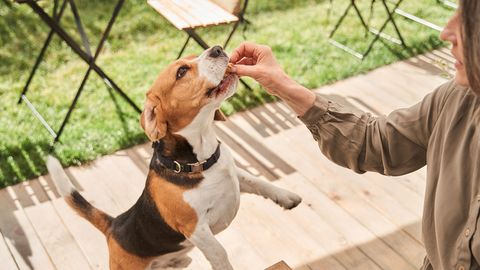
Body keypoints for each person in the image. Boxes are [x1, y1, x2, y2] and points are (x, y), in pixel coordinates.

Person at [228, 0, 480, 269]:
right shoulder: (459, 97)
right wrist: (283, 86)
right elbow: (380, 144)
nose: (447, 32)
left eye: (470, 20)